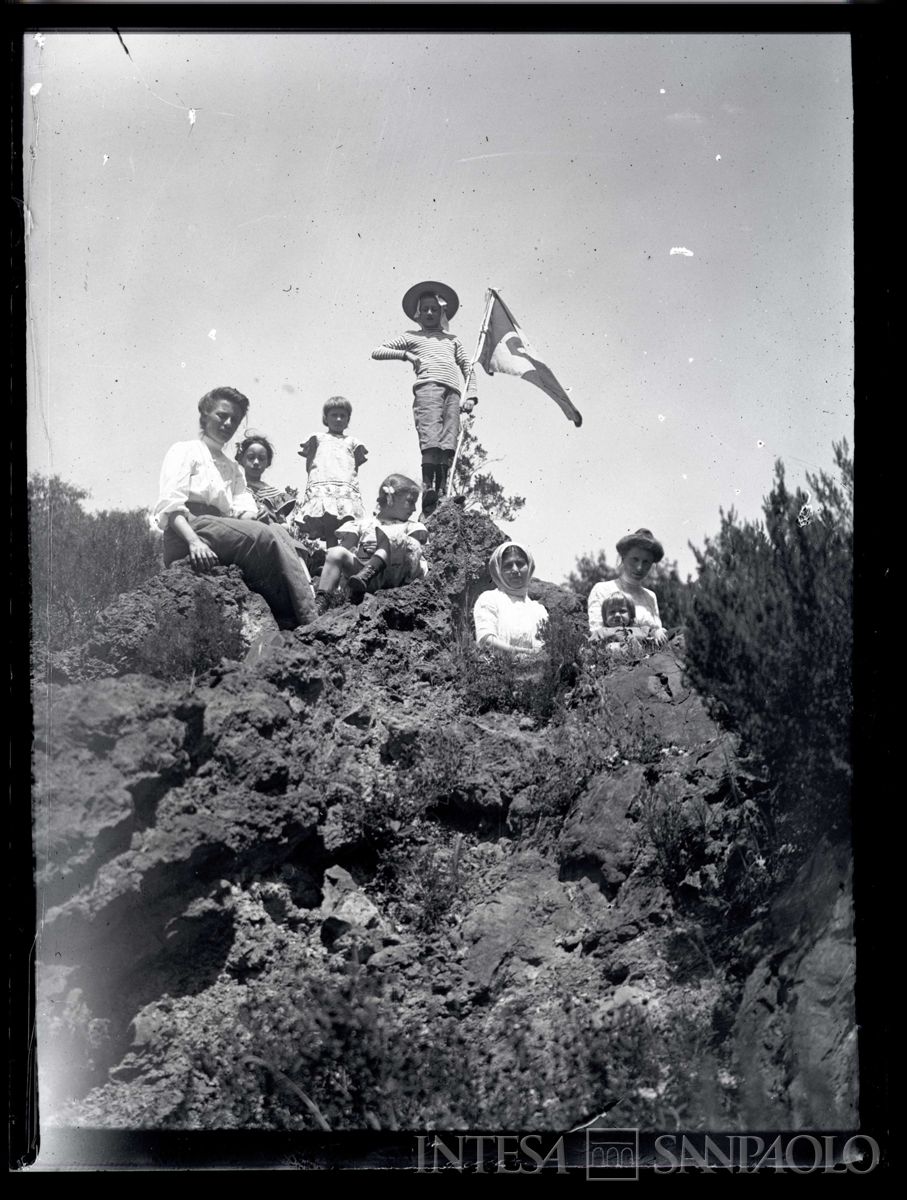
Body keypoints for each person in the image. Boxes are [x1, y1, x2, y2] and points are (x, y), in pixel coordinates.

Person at [154, 386, 316, 628]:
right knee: (264, 535)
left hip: (221, 530)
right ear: (205, 415)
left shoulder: (233, 467)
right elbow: (171, 505)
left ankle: (297, 614)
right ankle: (303, 617)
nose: (228, 423)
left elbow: (240, 509)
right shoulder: (185, 450)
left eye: (235, 419)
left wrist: (257, 514)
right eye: (222, 415)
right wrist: (193, 541)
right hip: (187, 530)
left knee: (280, 532)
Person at [371, 280, 477, 501]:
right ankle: (428, 486)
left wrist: (472, 396)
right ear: (418, 313)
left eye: (435, 309)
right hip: (428, 387)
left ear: (442, 313)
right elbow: (377, 351)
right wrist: (405, 355)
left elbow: (468, 367)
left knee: (448, 440)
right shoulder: (412, 336)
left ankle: (442, 491)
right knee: (431, 436)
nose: (430, 313)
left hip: (453, 392)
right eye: (425, 309)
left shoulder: (452, 340)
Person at [313, 473, 429, 612]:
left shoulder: (411, 527)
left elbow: (413, 554)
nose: (414, 509)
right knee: (335, 552)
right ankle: (321, 603)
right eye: (410, 502)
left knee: (394, 534)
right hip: (360, 578)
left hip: (395, 575)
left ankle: (368, 573)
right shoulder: (364, 524)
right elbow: (346, 547)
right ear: (390, 498)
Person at [295, 397, 368, 546]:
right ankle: (330, 553)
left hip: (344, 487)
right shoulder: (317, 438)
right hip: (324, 484)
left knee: (347, 523)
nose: (338, 419)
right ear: (326, 418)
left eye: (343, 416)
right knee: (328, 520)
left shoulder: (353, 442)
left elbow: (354, 468)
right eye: (334, 415)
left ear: (348, 420)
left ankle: (344, 557)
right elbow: (310, 463)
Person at [587, 528, 667, 646]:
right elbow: (597, 632)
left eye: (646, 562)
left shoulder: (650, 596)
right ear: (623, 559)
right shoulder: (602, 589)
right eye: (635, 559)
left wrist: (659, 631)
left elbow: (658, 632)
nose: (639, 567)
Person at [473, 542, 549, 655]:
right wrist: (519, 653)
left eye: (520, 564)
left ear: (529, 567)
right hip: (497, 669)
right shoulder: (489, 599)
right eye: (508, 565)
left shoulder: (538, 610)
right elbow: (486, 639)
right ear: (498, 570)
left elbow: (545, 647)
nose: (515, 570)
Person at [234, 432, 298, 524]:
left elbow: (284, 525)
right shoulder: (235, 488)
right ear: (241, 459)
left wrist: (269, 523)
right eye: (251, 457)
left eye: (261, 458)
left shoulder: (274, 495)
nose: (256, 462)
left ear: (268, 462)